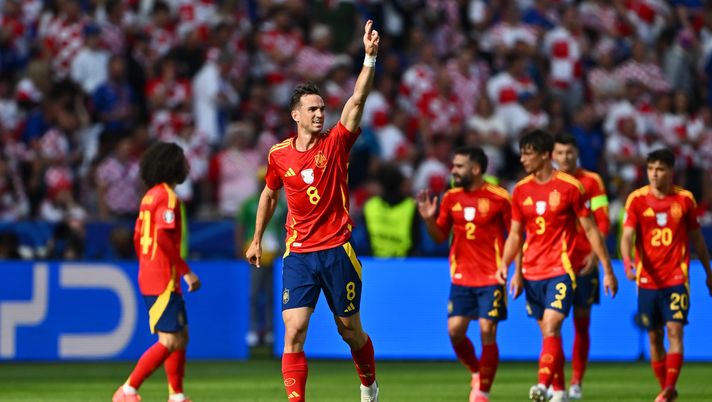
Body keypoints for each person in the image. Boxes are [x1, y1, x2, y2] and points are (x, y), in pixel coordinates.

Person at [245, 20, 380, 402]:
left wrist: (369, 57)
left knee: (350, 331)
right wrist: (256, 239)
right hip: (299, 253)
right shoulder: (278, 154)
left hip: (337, 249)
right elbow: (269, 195)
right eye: (313, 109)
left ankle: (368, 384)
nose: (320, 114)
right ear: (296, 115)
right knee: (294, 331)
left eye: (322, 108)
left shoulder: (336, 143)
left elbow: (356, 101)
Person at [495, 129, 618, 402]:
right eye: (522, 152)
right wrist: (508, 266)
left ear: (543, 155)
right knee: (550, 332)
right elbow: (516, 234)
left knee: (561, 324)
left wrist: (605, 267)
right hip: (532, 270)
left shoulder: (578, 185)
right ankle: (560, 391)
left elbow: (595, 227)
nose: (523, 158)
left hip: (568, 267)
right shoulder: (521, 190)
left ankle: (553, 384)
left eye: (528, 153)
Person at [417, 146, 511, 402]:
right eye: (454, 165)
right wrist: (428, 219)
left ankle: (482, 393)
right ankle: (476, 370)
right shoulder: (450, 198)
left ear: (476, 169)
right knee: (455, 331)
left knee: (487, 329)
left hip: (492, 276)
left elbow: (515, 235)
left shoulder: (500, 197)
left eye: (459, 166)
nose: (453, 171)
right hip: (462, 277)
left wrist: (513, 266)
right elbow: (439, 237)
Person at [620, 148, 712, 402]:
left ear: (671, 171)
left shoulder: (684, 200)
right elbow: (627, 236)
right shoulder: (636, 200)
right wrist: (627, 263)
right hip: (647, 280)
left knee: (675, 331)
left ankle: (668, 389)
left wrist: (708, 271)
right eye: (650, 169)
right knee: (654, 336)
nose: (654, 174)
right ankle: (667, 389)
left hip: (676, 278)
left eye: (660, 169)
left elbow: (697, 239)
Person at [113, 142, 200, 402]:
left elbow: (138, 236)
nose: (187, 165)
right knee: (170, 340)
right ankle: (128, 390)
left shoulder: (149, 196)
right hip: (163, 275)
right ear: (172, 165)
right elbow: (162, 236)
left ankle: (177, 395)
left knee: (181, 336)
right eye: (183, 160)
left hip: (152, 272)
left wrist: (147, 265)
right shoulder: (168, 197)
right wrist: (185, 272)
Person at [552, 133, 611, 400]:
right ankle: (556, 384)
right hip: (554, 264)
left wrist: (596, 255)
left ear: (577, 153)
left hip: (585, 262)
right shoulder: (546, 183)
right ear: (551, 155)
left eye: (569, 152)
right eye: (560, 152)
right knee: (552, 326)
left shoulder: (592, 181)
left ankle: (576, 381)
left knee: (581, 324)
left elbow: (603, 221)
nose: (565, 157)